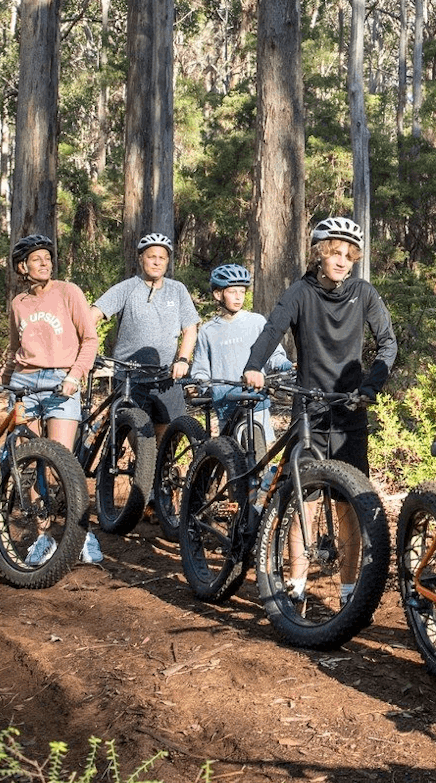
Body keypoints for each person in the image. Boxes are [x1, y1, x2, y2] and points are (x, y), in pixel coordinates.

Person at [242, 216, 397, 604]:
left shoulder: (363, 293)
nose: (343, 260)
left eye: (349, 255)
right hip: (308, 410)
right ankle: (295, 584)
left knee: (349, 505)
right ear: (319, 254)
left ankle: (347, 590)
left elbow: (387, 345)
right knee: (304, 501)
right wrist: (253, 366)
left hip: (350, 409)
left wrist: (369, 387)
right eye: (335, 253)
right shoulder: (299, 292)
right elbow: (272, 330)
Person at [0, 234, 104, 566]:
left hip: (61, 380)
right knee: (28, 464)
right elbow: (16, 351)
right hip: (24, 382)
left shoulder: (68, 292)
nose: (44, 263)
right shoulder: (18, 303)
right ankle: (42, 536)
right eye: (36, 259)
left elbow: (89, 339)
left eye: (47, 257)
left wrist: (75, 376)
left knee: (61, 464)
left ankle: (81, 534)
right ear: (22, 267)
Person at [93, 233, 201, 431]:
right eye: (152, 257)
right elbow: (92, 316)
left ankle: (161, 463)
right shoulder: (126, 288)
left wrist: (183, 359)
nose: (157, 262)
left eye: (162, 258)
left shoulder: (177, 290)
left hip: (167, 377)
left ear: (168, 261)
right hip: (129, 378)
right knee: (140, 435)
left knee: (170, 433)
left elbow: (190, 329)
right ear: (141, 258)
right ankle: (144, 462)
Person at [190, 263, 291, 451]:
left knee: (258, 457)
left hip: (256, 400)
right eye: (233, 291)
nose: (238, 297)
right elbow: (201, 368)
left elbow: (273, 354)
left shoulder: (256, 322)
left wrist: (286, 366)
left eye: (242, 292)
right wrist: (199, 384)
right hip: (225, 403)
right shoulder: (207, 331)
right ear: (218, 294)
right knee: (231, 458)